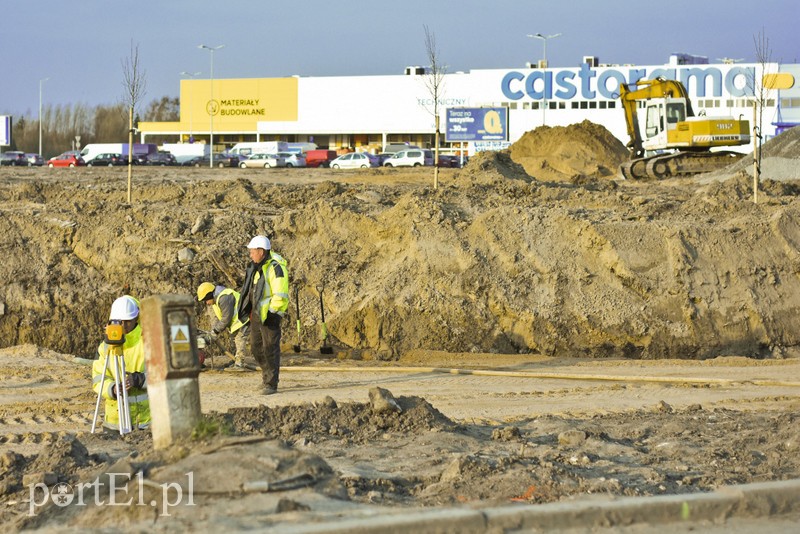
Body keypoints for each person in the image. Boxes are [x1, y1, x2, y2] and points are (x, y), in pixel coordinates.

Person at [236, 235, 289, 395]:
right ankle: (266, 377)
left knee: (270, 349)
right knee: (256, 348)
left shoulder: (275, 268)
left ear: (261, 251)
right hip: (258, 314)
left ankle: (271, 383)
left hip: (270, 315)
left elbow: (280, 293)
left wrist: (273, 313)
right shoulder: (257, 267)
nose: (251, 254)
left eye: (253, 251)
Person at [91, 295, 150, 430]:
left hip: (146, 422)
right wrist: (112, 389)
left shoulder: (149, 341)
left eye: (127, 321)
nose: (123, 326)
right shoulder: (105, 347)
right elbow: (98, 378)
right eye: (119, 321)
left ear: (136, 318)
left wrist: (138, 379)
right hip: (115, 423)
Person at [196, 282, 253, 371]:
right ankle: (235, 360)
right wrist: (213, 331)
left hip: (243, 319)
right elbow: (218, 318)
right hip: (237, 322)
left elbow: (226, 318)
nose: (206, 303)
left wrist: (215, 331)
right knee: (234, 340)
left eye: (206, 300)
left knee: (239, 339)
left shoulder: (224, 297)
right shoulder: (216, 300)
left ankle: (239, 364)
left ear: (209, 295)